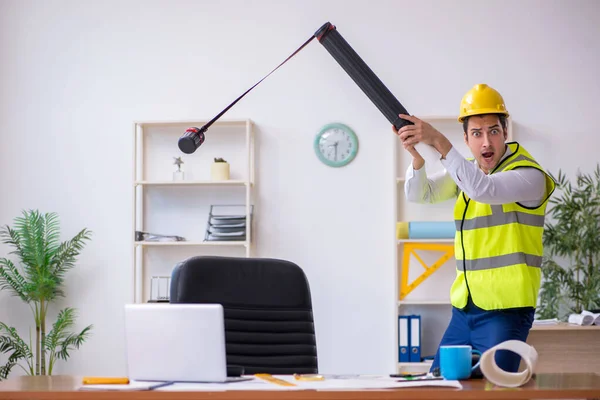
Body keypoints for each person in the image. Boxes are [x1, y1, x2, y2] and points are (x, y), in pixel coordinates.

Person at [393, 83, 555, 374]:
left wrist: (439, 142)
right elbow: (421, 194)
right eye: (477, 134)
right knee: (438, 387)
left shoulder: (529, 175)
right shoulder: (467, 173)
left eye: (493, 131)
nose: (486, 143)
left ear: (505, 132)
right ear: (466, 139)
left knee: (493, 391)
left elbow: (485, 190)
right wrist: (418, 160)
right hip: (464, 310)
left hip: (505, 311)